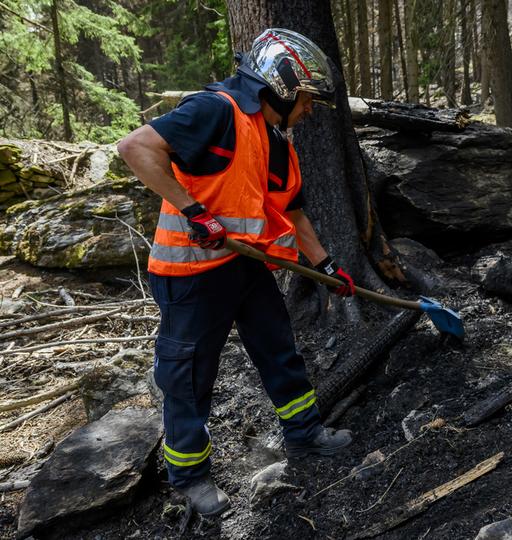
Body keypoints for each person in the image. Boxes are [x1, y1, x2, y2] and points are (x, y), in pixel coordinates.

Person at [118, 28, 355, 517]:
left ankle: (304, 433)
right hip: (191, 274)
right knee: (188, 376)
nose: (311, 109)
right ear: (284, 86)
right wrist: (192, 210)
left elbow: (294, 211)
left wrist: (325, 265)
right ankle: (190, 478)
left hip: (244, 267)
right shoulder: (217, 111)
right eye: (308, 99)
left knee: (278, 347)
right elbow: (136, 148)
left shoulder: (275, 140)